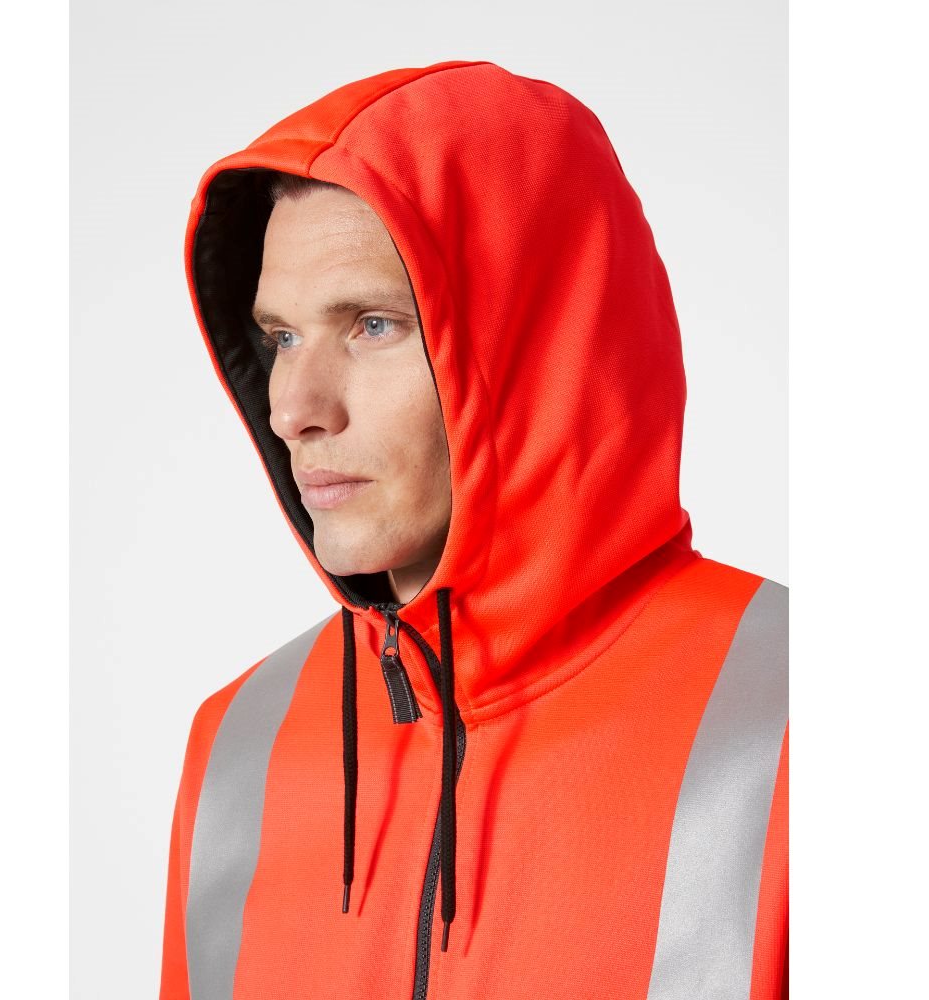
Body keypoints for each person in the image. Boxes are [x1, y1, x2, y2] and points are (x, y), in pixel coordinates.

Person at [159, 59, 789, 1000]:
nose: (293, 408)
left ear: (541, 338)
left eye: (372, 324)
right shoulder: (237, 748)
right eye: (281, 337)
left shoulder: (801, 717)